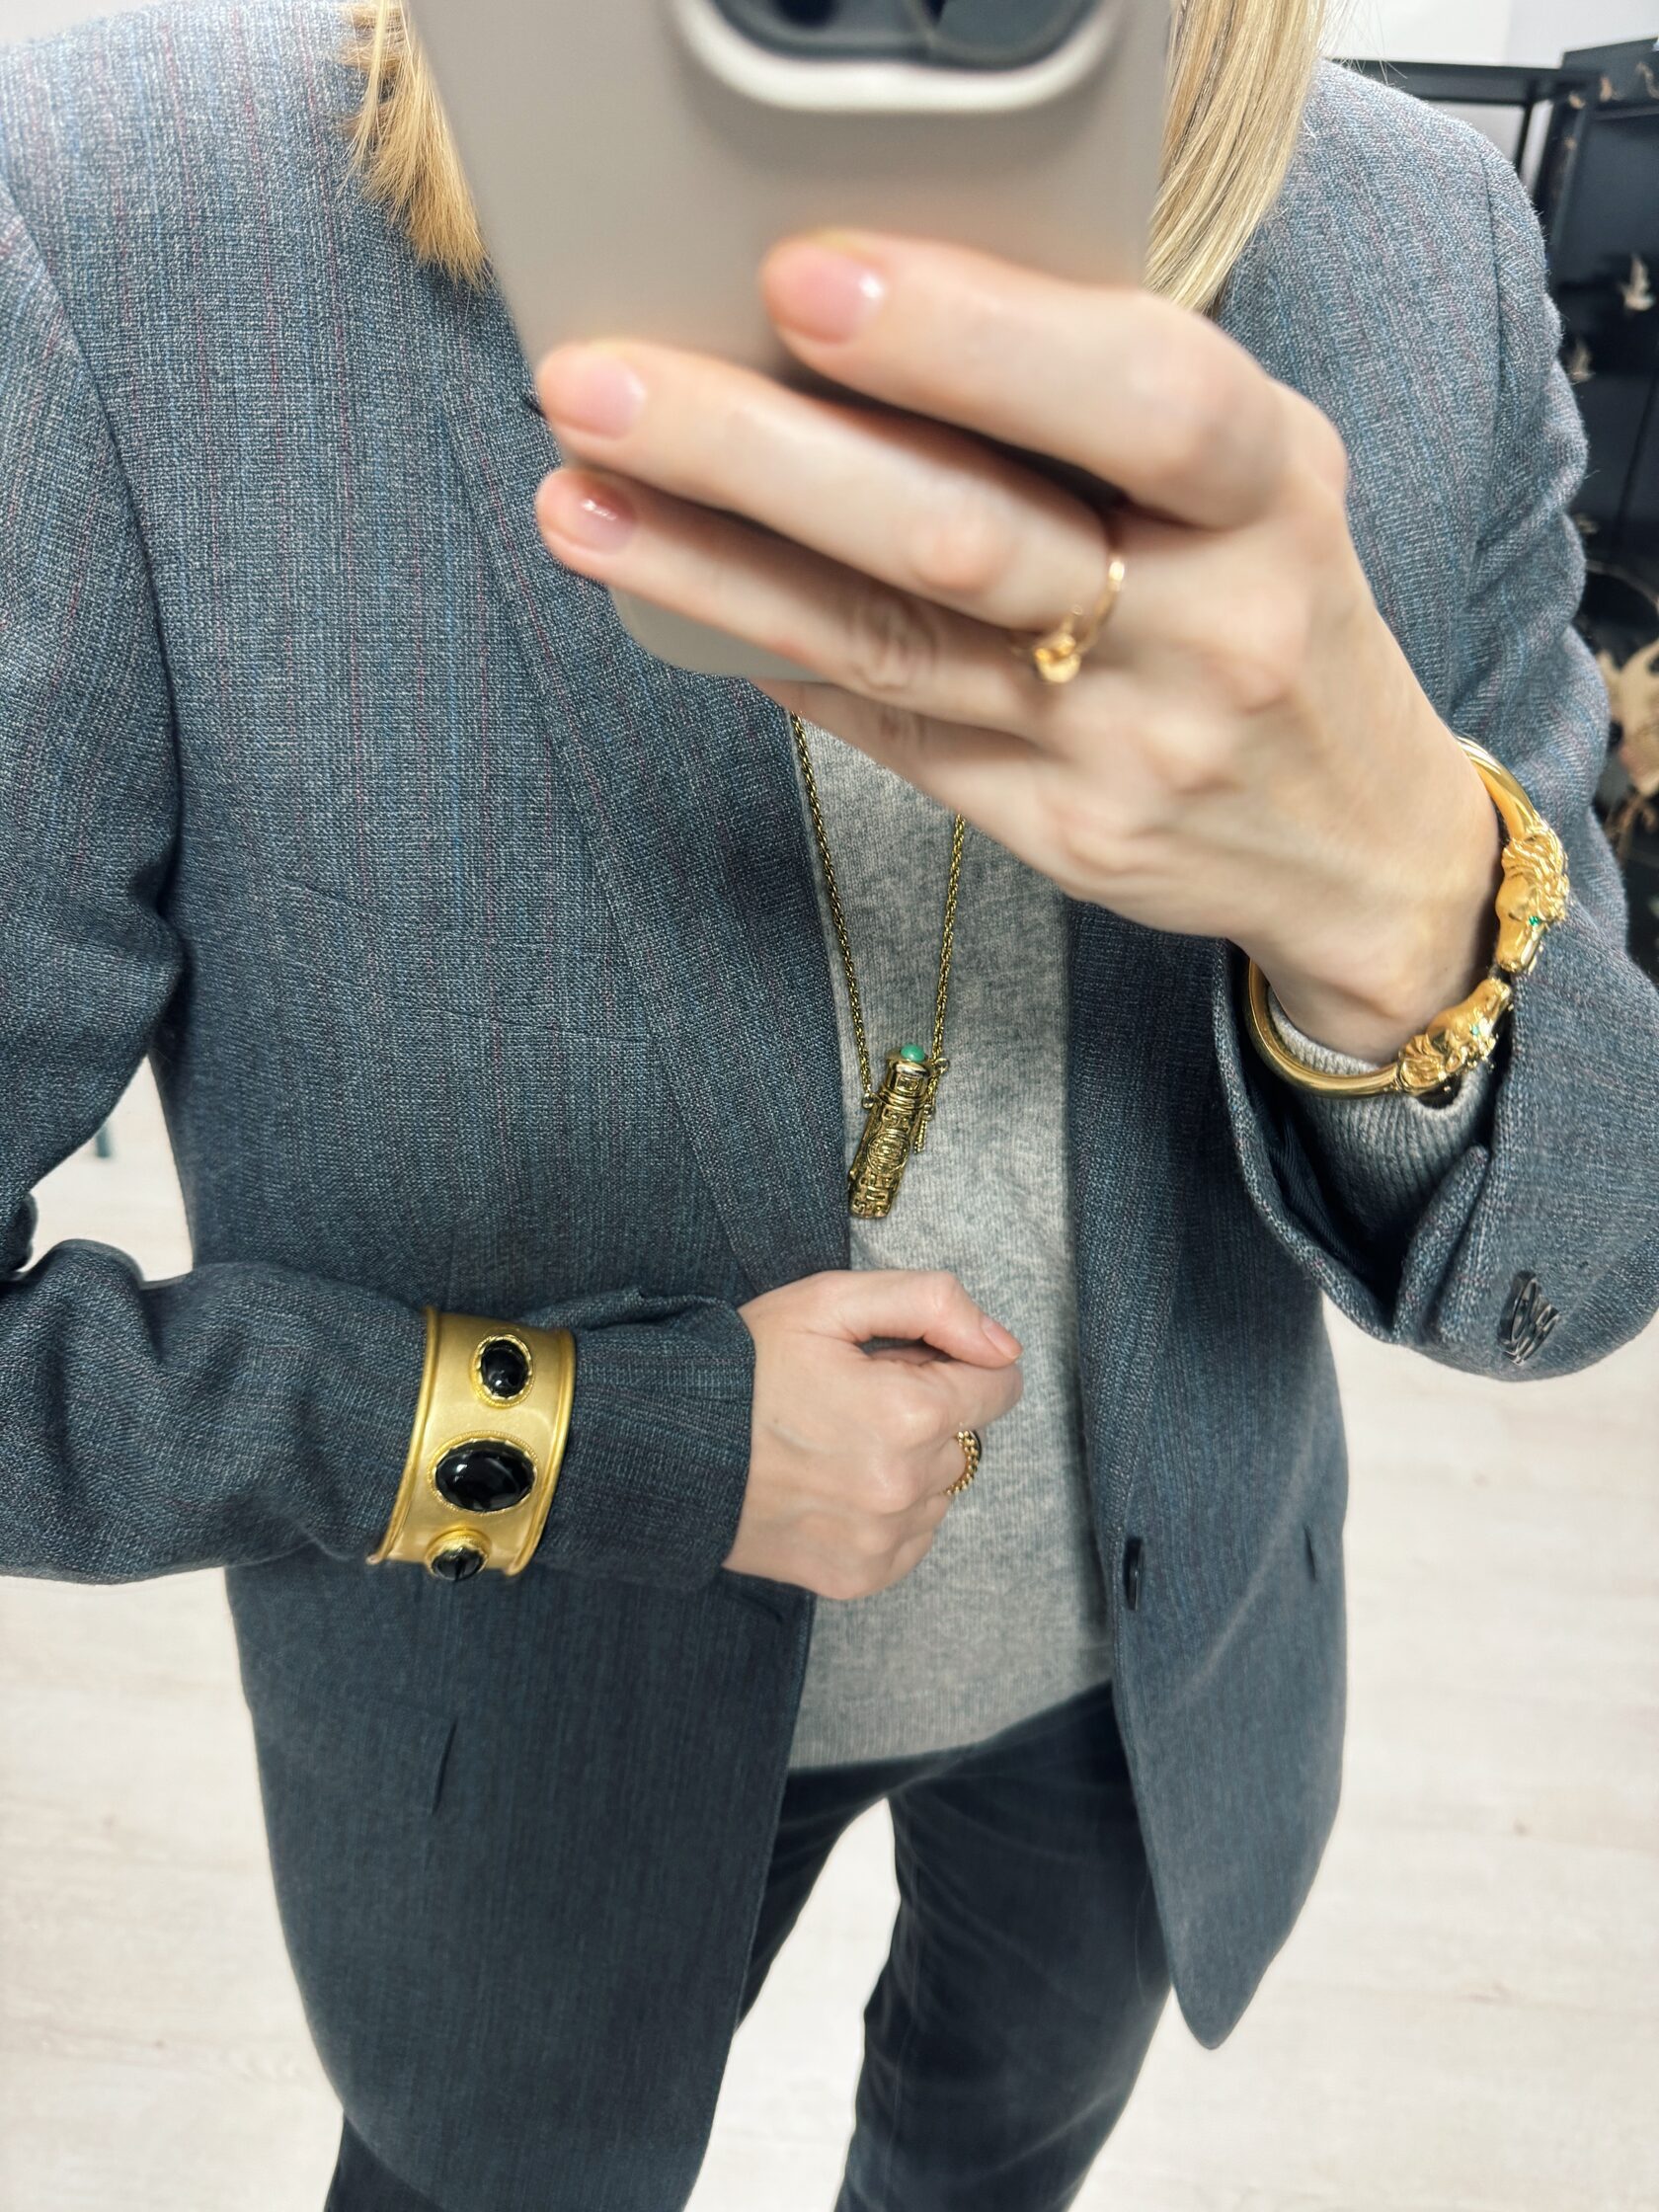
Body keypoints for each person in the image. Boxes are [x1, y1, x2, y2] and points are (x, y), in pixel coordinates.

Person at [1, 0, 1654, 2206]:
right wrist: (599, 1437)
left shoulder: (1419, 248)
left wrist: (1406, 897)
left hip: (1153, 1688)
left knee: (998, 2147)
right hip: (524, 1765)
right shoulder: (118, 223)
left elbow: (1579, 1257)